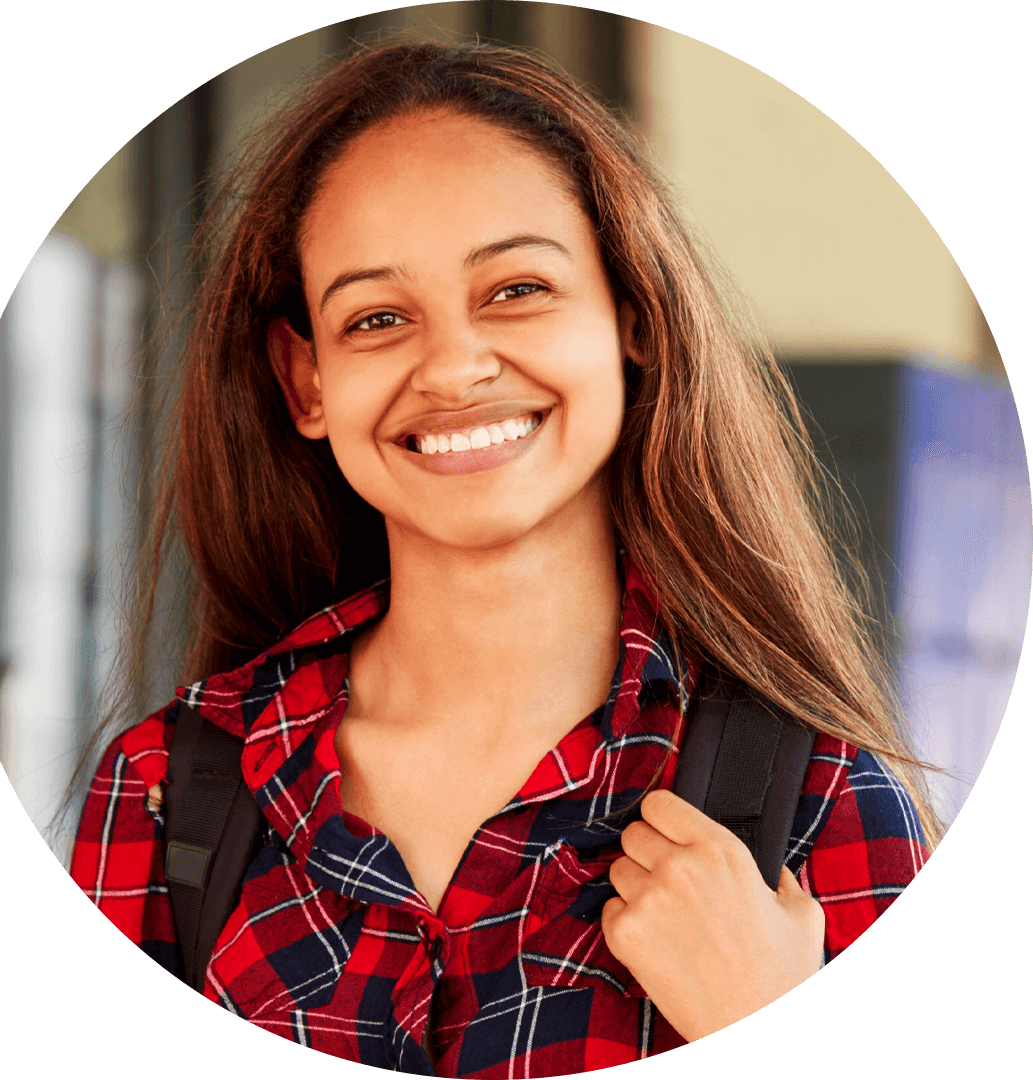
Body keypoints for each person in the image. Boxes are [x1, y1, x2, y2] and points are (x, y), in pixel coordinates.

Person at [70, 39, 936, 1073]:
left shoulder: (819, 803)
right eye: (378, 317)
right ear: (306, 382)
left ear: (631, 314)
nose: (453, 366)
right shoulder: (172, 793)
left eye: (516, 290)